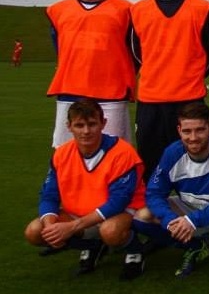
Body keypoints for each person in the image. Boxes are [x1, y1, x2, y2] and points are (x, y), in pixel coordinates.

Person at [130, 102, 209, 279]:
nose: (193, 137)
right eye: (187, 131)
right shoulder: (172, 153)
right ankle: (194, 246)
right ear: (179, 130)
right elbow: (154, 193)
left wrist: (193, 220)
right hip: (189, 206)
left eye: (200, 130)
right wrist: (171, 220)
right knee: (142, 217)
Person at [24, 99, 147, 279]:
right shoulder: (62, 153)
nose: (86, 131)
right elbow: (49, 194)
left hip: (120, 211)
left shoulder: (122, 152)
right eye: (79, 125)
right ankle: (93, 246)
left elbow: (118, 202)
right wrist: (52, 227)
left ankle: (135, 250)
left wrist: (72, 227)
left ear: (103, 123)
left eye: (92, 124)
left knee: (110, 231)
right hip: (80, 212)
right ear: (69, 126)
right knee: (35, 231)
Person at [130, 0, 209, 178]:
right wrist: (156, 72)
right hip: (151, 100)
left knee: (193, 160)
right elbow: (135, 52)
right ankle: (153, 210)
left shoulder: (202, 8)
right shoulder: (138, 10)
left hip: (188, 99)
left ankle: (193, 207)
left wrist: (190, 76)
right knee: (150, 161)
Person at [46, 0, 136, 147]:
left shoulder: (126, 10)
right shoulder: (57, 10)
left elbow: (137, 51)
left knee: (114, 153)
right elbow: (59, 47)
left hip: (111, 93)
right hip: (70, 90)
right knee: (66, 154)